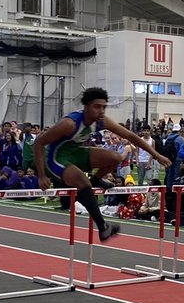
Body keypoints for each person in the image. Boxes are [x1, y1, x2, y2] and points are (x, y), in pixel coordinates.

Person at [35, 87, 169, 241]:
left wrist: (157, 155)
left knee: (116, 157)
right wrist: (42, 175)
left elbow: (131, 136)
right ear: (86, 107)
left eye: (104, 107)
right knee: (83, 182)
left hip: (76, 152)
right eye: (97, 107)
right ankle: (103, 227)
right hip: (56, 158)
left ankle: (96, 179)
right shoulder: (70, 124)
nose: (101, 111)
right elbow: (39, 143)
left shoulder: (101, 121)